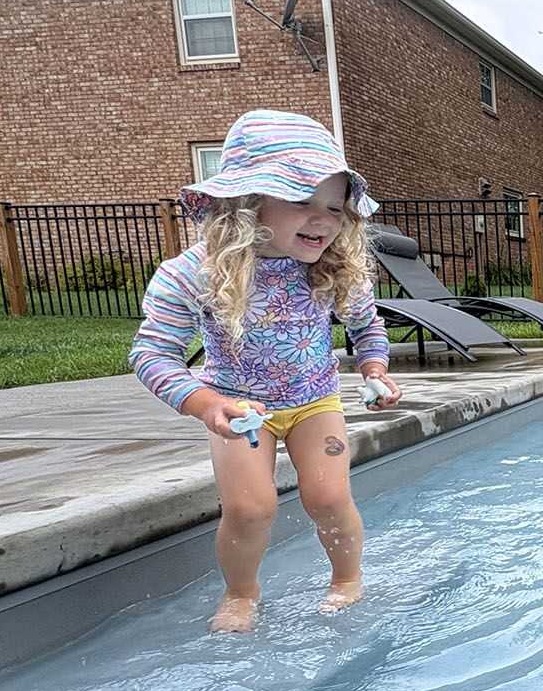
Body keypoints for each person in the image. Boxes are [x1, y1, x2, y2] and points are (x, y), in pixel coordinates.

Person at [129, 109, 404, 633]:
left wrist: (374, 365)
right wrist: (207, 404)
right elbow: (152, 353)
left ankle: (347, 579)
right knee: (250, 510)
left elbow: (366, 325)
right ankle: (241, 593)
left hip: (315, 402)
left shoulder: (333, 268)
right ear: (248, 204)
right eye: (301, 201)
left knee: (329, 498)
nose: (323, 219)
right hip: (237, 407)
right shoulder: (194, 272)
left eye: (334, 206)